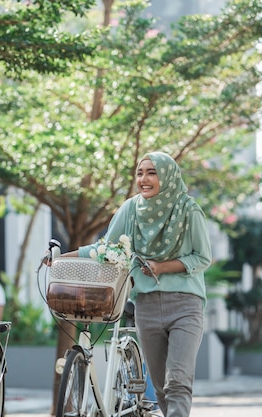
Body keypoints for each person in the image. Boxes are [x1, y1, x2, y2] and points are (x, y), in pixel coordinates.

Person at [61, 151, 212, 417]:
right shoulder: (131, 209)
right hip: (147, 305)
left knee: (177, 379)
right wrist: (61, 257)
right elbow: (105, 248)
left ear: (167, 176)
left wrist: (162, 267)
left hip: (185, 305)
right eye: (140, 173)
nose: (144, 179)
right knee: (161, 386)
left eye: (152, 172)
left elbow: (202, 257)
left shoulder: (188, 210)